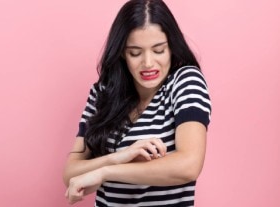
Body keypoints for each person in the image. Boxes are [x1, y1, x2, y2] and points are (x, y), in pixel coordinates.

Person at [63, 0, 212, 206]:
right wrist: (119, 157)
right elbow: (70, 173)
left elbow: (188, 165)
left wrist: (105, 173)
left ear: (171, 47)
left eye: (158, 50)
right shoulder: (103, 93)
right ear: (123, 52)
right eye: (135, 52)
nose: (148, 63)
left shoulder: (185, 82)